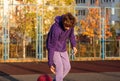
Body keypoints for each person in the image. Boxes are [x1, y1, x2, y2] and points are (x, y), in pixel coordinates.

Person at [46, 12, 77, 81]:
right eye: (67, 27)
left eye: (70, 27)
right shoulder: (56, 29)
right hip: (54, 48)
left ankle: (56, 80)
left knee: (67, 67)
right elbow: (51, 46)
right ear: (63, 23)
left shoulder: (70, 25)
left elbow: (71, 35)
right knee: (59, 68)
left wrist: (74, 45)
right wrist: (50, 63)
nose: (68, 29)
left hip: (62, 48)